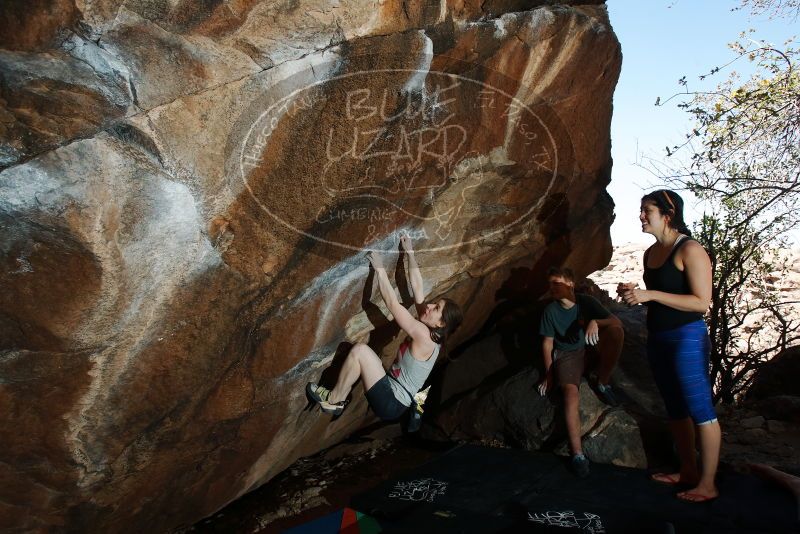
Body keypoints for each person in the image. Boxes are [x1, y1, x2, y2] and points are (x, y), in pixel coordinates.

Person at [618, 189, 720, 503]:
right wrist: (635, 292)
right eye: (641, 210)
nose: (641, 216)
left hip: (685, 337)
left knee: (700, 409)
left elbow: (702, 302)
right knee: (675, 408)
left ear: (668, 213)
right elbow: (661, 294)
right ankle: (687, 470)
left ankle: (708, 483)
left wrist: (650, 296)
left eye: (647, 210)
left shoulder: (689, 249)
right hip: (658, 337)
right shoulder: (651, 254)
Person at [306, 234, 462, 420]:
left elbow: (392, 304)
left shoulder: (424, 336)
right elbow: (417, 288)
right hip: (391, 395)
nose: (429, 306)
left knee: (361, 352)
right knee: (358, 358)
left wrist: (379, 270)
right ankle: (339, 399)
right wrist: (410, 253)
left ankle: (333, 400)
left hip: (392, 402)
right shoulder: (432, 332)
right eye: (435, 303)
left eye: (436, 308)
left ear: (441, 324)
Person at [538, 267, 624, 478]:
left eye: (557, 283)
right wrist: (549, 374)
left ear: (570, 285)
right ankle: (577, 453)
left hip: (590, 346)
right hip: (569, 354)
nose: (553, 288)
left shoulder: (586, 302)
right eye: (550, 285)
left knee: (616, 332)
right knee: (570, 394)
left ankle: (603, 382)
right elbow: (547, 343)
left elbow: (616, 322)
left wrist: (596, 321)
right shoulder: (550, 311)